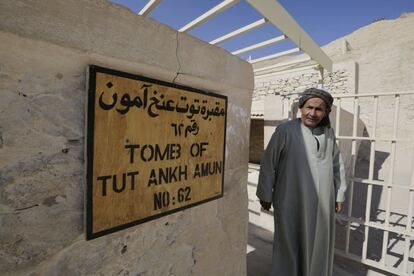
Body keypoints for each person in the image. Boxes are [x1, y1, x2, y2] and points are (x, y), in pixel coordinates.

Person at [257, 88, 347, 276]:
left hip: (323, 202)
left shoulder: (329, 134)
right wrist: (265, 193)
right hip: (291, 199)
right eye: (309, 107)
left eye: (319, 110)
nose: (312, 113)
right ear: (301, 107)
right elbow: (268, 163)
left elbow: (338, 165)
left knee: (319, 243)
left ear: (326, 112)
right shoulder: (286, 130)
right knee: (290, 243)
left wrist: (339, 194)